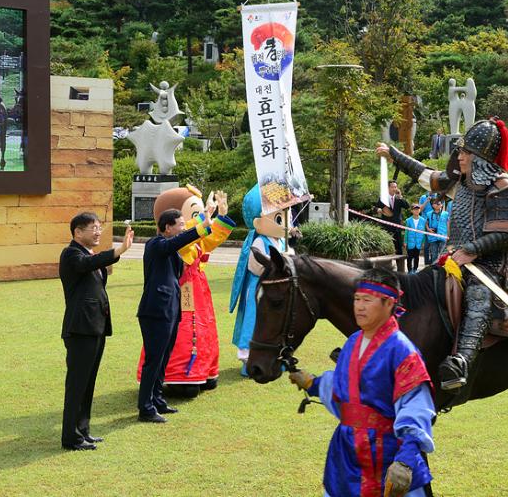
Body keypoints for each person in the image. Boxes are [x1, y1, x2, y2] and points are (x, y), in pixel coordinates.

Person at [377, 117, 508, 392]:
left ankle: (461, 362)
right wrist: (394, 154)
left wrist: (473, 250)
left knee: (478, 295)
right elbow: (427, 175)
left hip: (489, 266)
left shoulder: (501, 185)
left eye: (465, 152)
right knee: (419, 286)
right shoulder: (461, 183)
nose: (459, 157)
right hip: (453, 260)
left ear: (480, 157)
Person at [288, 269, 434, 497]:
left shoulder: (403, 351)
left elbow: (416, 407)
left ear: (389, 304)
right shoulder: (353, 342)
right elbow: (345, 388)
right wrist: (313, 383)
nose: (359, 306)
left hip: (387, 456)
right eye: (357, 299)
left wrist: (405, 461)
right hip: (346, 452)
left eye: (368, 300)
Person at [136, 186, 235, 396]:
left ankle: (202, 371)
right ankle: (178, 375)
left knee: (202, 329)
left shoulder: (186, 238)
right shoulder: (167, 243)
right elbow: (187, 237)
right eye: (188, 216)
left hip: (198, 289)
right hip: (180, 292)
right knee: (184, 332)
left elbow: (208, 240)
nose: (186, 223)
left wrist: (221, 217)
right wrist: (204, 218)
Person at [59, 213, 134, 451]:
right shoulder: (71, 254)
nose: (98, 232)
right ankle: (70, 437)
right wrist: (117, 251)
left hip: (96, 326)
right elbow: (86, 265)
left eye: (100, 227)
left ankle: (83, 430)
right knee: (77, 384)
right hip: (80, 328)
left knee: (88, 383)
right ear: (77, 232)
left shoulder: (89, 255)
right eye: (93, 228)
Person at [137, 208, 212, 422]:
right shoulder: (156, 245)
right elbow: (176, 243)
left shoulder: (172, 251)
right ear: (167, 228)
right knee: (154, 360)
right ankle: (146, 408)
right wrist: (200, 226)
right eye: (180, 225)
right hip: (155, 312)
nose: (182, 229)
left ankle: (157, 399)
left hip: (170, 311)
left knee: (163, 359)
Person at [230, 183, 298, 375]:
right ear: (259, 222)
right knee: (255, 321)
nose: (285, 222)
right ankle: (248, 358)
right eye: (279, 217)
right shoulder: (260, 241)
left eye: (286, 216)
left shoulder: (281, 240)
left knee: (276, 324)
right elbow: (256, 265)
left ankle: (276, 356)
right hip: (259, 291)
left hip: (277, 291)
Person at [377, 180, 409, 256]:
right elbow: (376, 207)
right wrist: (378, 210)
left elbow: (407, 206)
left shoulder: (398, 198)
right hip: (386, 225)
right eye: (392, 187)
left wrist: (400, 197)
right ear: (388, 188)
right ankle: (388, 265)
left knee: (399, 248)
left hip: (397, 226)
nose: (394, 188)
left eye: (395, 187)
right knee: (386, 246)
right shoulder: (383, 198)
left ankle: (399, 266)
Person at [423, 196, 448, 266]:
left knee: (442, 253)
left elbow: (448, 224)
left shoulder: (445, 214)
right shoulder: (429, 214)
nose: (438, 204)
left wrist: (448, 234)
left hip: (443, 235)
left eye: (439, 203)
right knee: (434, 254)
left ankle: (442, 268)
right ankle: (434, 268)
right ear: (432, 205)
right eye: (436, 203)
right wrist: (428, 229)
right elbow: (426, 223)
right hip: (433, 236)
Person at [404, 204, 427, 274]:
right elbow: (406, 231)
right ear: (412, 211)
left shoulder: (423, 220)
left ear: (419, 210)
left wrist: (423, 242)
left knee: (417, 257)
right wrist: (405, 241)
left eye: (418, 209)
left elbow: (424, 231)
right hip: (410, 242)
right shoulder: (408, 220)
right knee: (409, 257)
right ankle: (410, 270)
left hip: (418, 242)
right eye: (415, 209)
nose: (416, 211)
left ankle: (415, 269)